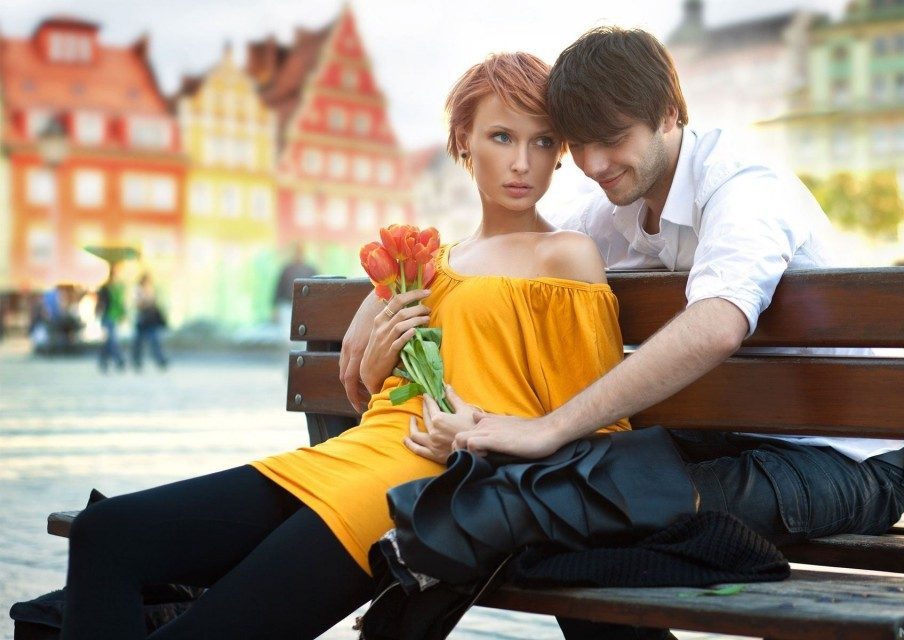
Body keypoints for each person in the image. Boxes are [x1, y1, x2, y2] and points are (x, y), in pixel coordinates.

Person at [343, 28, 904, 640]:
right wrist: (391, 287)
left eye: (613, 140)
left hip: (851, 464)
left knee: (569, 498)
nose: (593, 165)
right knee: (559, 491)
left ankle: (405, 600)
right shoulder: (615, 204)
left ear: (669, 114)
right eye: (582, 144)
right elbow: (503, 252)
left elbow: (718, 324)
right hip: (727, 440)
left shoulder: (744, 186)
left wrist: (547, 428)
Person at [61, 52, 630, 639]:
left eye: (542, 143)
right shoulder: (433, 260)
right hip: (353, 458)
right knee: (104, 533)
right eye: (502, 136)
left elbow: (601, 434)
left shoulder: (564, 255)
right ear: (463, 141)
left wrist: (479, 431)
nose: (521, 163)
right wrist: (383, 364)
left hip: (419, 490)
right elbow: (384, 398)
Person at [272, 244, 316, 339]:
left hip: (305, 308)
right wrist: (275, 308)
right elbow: (278, 289)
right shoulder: (286, 269)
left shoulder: (310, 270)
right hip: (287, 307)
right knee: (286, 336)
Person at [131, 272, 169, 371]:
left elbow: (154, 302)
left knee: (155, 340)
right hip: (142, 319)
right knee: (139, 342)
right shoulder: (138, 290)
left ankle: (160, 360)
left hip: (151, 319)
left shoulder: (151, 289)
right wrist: (146, 302)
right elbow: (137, 304)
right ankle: (137, 361)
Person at [96, 262, 127, 373]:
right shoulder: (105, 287)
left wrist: (123, 314)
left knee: (109, 341)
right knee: (112, 340)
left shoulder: (120, 287)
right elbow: (100, 302)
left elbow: (121, 303)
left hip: (115, 317)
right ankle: (119, 360)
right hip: (107, 316)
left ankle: (103, 361)